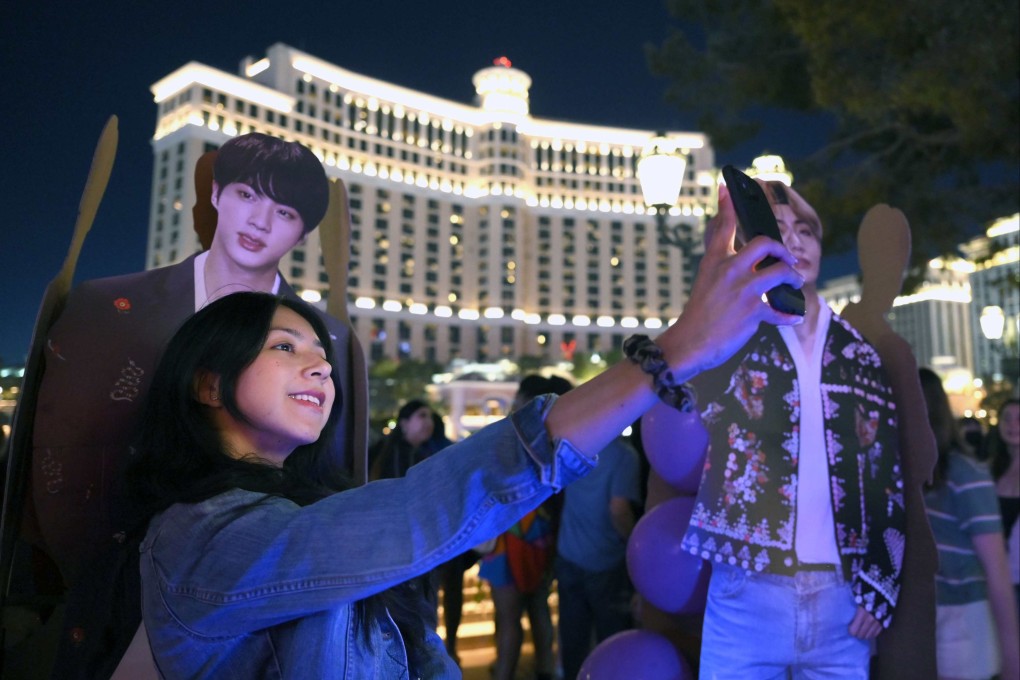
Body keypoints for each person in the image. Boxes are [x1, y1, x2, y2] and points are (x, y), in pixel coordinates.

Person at [127, 203, 805, 678]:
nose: (319, 366)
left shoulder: (306, 511)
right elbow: (423, 512)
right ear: (208, 385)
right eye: (283, 346)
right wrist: (670, 353)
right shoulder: (201, 543)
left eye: (320, 352)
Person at [15, 132, 366, 677]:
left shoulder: (333, 344)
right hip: (95, 598)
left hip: (262, 607)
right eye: (248, 195)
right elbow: (48, 449)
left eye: (286, 211)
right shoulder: (104, 308)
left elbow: (334, 472)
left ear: (304, 230)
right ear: (218, 194)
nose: (261, 221)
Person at [677, 180, 906, 678]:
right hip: (745, 591)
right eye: (779, 230)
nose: (797, 241)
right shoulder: (731, 336)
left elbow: (885, 477)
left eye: (807, 230)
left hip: (842, 600)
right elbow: (677, 392)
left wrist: (883, 580)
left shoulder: (858, 354)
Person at [919, 369, 1020, 680]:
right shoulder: (912, 474)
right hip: (926, 617)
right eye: (1007, 420)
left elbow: (997, 572)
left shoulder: (966, 474)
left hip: (961, 618)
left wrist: (1013, 659)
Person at [479, 375, 571, 680]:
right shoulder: (553, 438)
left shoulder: (510, 436)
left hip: (506, 537)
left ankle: (504, 673)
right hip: (539, 536)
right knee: (538, 608)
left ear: (525, 400)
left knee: (507, 618)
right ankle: (546, 669)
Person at [554, 415, 642, 680]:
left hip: (568, 554)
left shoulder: (575, 446)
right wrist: (634, 542)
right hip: (606, 560)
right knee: (610, 640)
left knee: (573, 637)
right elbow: (619, 510)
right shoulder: (624, 456)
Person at [985, 398, 1020, 615]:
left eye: (1019, 419)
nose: (1012, 425)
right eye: (1006, 419)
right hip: (997, 576)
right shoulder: (987, 470)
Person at [369, 399, 436, 480]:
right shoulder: (389, 453)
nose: (429, 422)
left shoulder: (424, 453)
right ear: (404, 423)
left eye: (430, 417)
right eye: (422, 415)